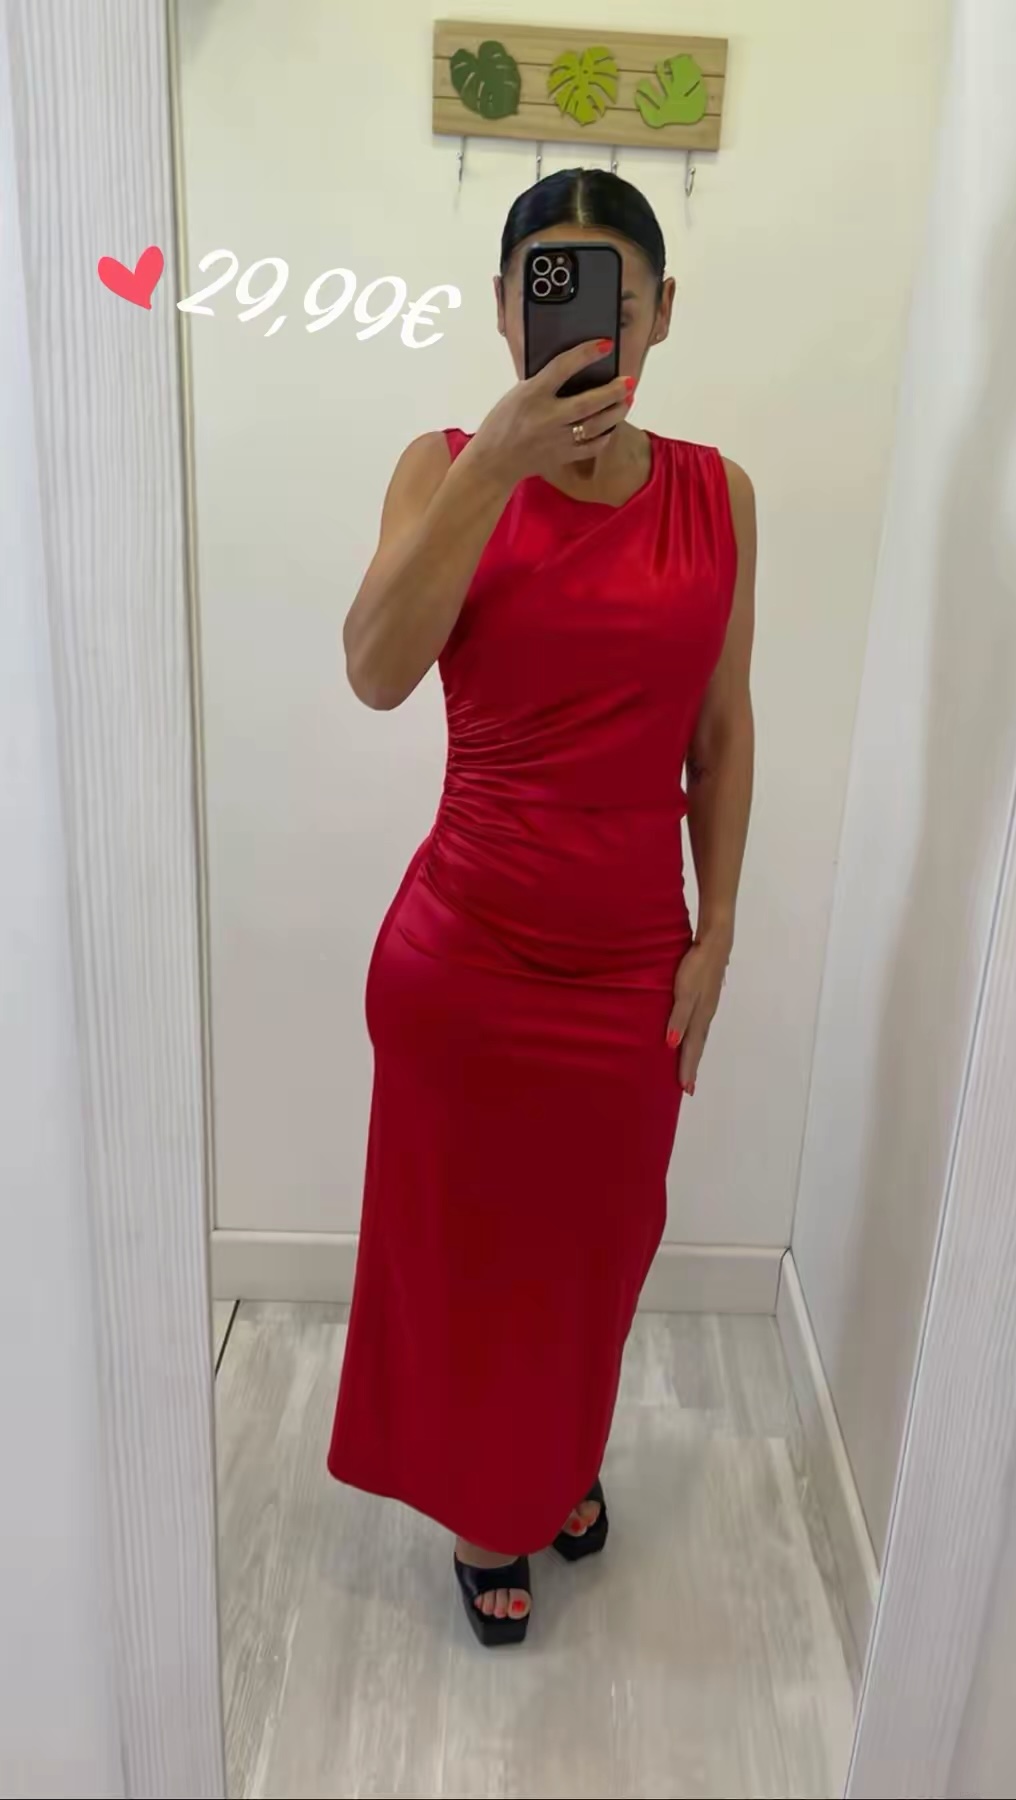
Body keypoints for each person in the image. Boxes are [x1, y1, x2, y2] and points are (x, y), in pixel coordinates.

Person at [328, 168, 756, 1648]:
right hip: (464, 960)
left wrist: (718, 932)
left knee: (595, 1252)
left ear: (662, 312)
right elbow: (375, 669)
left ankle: (555, 1455)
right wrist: (490, 473)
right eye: (547, 294)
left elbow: (721, 733)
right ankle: (484, 1507)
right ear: (506, 312)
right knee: (473, 1263)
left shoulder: (718, 495)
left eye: (613, 298)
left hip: (634, 961)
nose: (581, 325)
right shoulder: (441, 466)